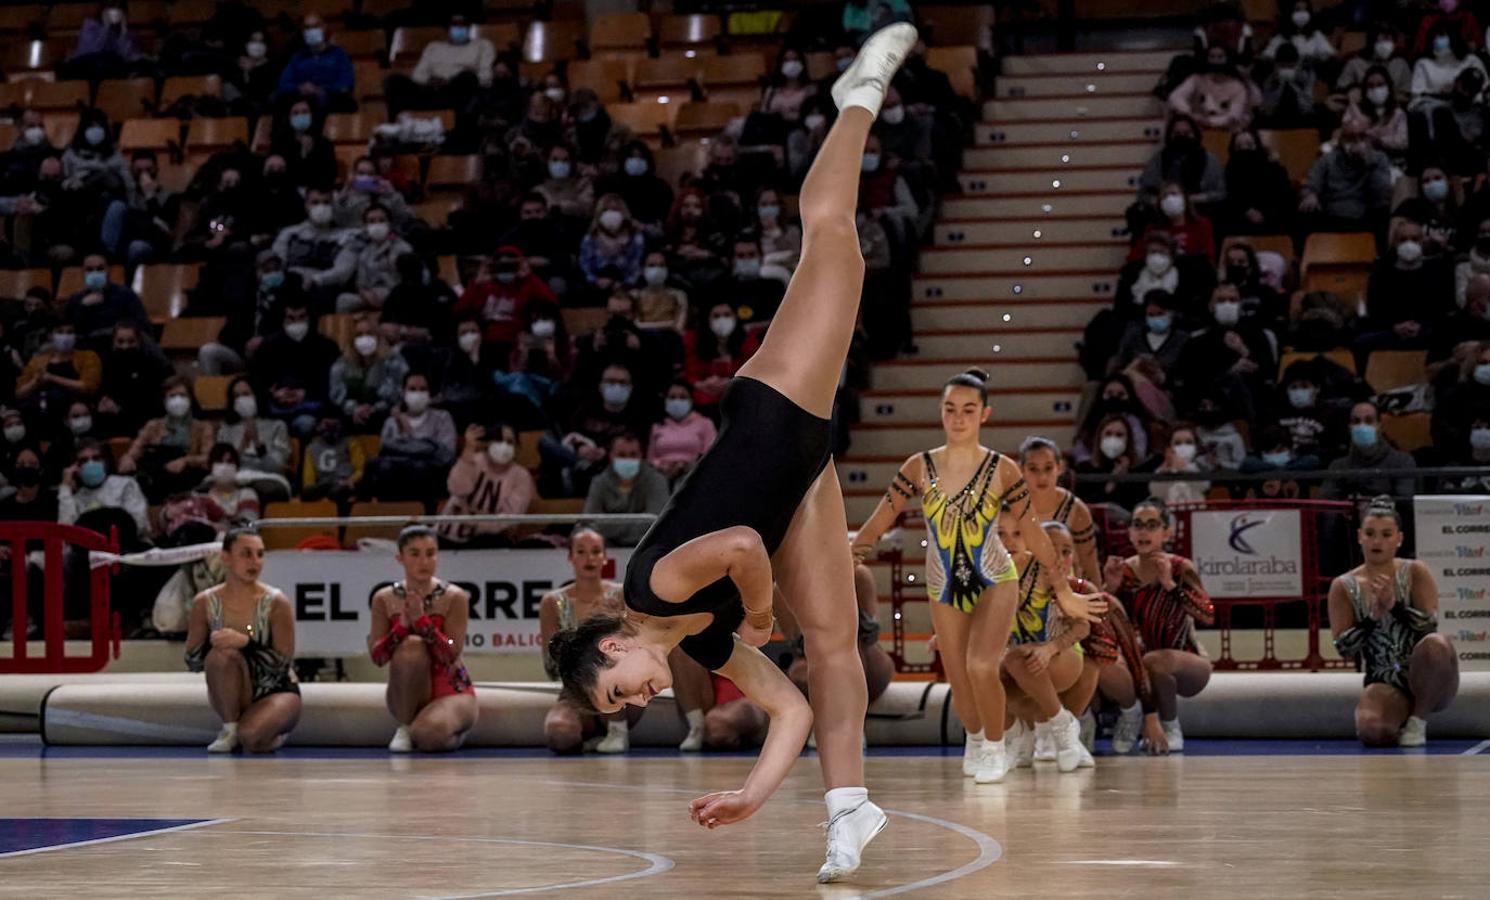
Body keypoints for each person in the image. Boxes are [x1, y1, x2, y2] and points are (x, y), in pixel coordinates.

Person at [547, 27, 988, 883]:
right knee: (828, 650)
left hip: (775, 408)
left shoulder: (651, 591)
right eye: (630, 708)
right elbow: (783, 709)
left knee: (833, 235)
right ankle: (848, 808)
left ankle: (858, 96)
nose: (640, 700)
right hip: (800, 475)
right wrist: (752, 793)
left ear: (610, 648)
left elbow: (746, 552)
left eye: (621, 692)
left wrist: (753, 615)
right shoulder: (696, 647)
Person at [850, 367, 1105, 785]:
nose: (959, 418)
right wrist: (851, 555)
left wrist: (1062, 589)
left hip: (995, 578)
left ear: (985, 414)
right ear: (941, 412)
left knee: (981, 664)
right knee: (961, 678)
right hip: (942, 585)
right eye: (950, 409)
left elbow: (1035, 535)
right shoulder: (919, 466)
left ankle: (994, 745)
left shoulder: (1002, 469)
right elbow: (879, 521)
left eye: (969, 409)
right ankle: (979, 737)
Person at [1328, 498, 1458, 746]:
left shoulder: (1415, 571)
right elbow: (1344, 647)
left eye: (1386, 534)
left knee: (1437, 644)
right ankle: (1402, 714)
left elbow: (1428, 628)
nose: (1377, 541)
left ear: (1399, 538)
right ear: (1359, 537)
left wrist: (1394, 607)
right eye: (1370, 534)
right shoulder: (1343, 586)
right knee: (1373, 731)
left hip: (1429, 672)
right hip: (1385, 679)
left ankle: (1418, 721)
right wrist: (1373, 617)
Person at [1101, 498, 1214, 753]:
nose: (1143, 531)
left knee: (1154, 660)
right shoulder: (1124, 571)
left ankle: (1171, 725)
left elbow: (1207, 615)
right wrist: (1109, 588)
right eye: (1137, 525)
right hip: (1139, 663)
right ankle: (1129, 716)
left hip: (1187, 661)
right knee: (1111, 661)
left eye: (1152, 525)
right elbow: (1101, 624)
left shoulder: (1179, 567)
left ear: (1166, 532)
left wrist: (1170, 586)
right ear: (1129, 532)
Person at [184, 528, 301, 753]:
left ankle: (269, 731)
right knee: (221, 656)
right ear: (225, 557)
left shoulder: (276, 602)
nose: (255, 562)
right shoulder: (205, 603)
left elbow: (283, 663)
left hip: (276, 689)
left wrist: (246, 643)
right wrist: (215, 642)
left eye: (260, 554)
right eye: (246, 554)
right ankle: (230, 726)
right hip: (233, 688)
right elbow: (193, 661)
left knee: (252, 739)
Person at [368, 526, 478, 752]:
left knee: (430, 736)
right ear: (400, 558)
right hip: (405, 693)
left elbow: (451, 652)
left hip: (450, 688)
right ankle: (406, 725)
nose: (424, 561)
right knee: (411, 646)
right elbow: (378, 656)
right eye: (415, 554)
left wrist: (422, 622)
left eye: (430, 553)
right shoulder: (384, 599)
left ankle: (451, 731)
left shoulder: (454, 597)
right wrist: (403, 627)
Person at [1001, 520, 1093, 772]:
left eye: (1066, 551)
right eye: (1053, 549)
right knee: (984, 674)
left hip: (1063, 658)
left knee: (1016, 660)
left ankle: (1062, 725)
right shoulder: (1001, 572)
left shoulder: (1058, 579)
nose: (1060, 557)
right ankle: (1015, 735)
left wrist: (1049, 648)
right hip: (1023, 663)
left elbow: (1083, 626)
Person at [362, 372, 457, 503]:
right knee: (382, 467)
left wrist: (405, 436)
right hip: (396, 474)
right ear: (403, 392)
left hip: (430, 476)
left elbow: (446, 454)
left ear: (430, 393)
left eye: (423, 389)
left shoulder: (442, 418)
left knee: (420, 468)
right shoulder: (391, 422)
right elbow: (384, 449)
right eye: (412, 389)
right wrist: (426, 446)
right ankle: (384, 512)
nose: (417, 394)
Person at [437, 422, 535, 548]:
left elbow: (508, 518)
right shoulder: (475, 460)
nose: (504, 446)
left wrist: (473, 521)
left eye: (509, 442)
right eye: (499, 440)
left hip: (485, 542)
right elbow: (457, 488)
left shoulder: (521, 476)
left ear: (517, 447)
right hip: (447, 535)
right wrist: (468, 450)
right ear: (488, 443)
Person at [1018, 437, 1101, 584]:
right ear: (1021, 470)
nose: (1042, 477)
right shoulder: (1012, 508)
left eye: (1048, 468)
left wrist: (1096, 600)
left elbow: (1089, 565)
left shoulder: (1076, 510)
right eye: (1033, 469)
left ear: (1060, 467)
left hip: (1066, 591)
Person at [119, 375, 215, 502]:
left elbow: (209, 458)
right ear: (164, 400)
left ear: (190, 399)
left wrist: (186, 461)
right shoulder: (153, 425)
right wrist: (128, 458)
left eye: (182, 395)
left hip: (187, 478)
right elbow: (134, 451)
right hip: (158, 476)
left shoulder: (203, 427)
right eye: (172, 396)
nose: (178, 400)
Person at [383, 13, 493, 119]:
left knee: (467, 78)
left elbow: (485, 78)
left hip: (456, 92)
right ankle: (397, 129)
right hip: (431, 90)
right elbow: (418, 76)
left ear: (469, 26)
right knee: (393, 81)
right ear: (447, 28)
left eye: (462, 24)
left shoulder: (482, 45)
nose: (459, 28)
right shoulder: (433, 47)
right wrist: (431, 81)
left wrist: (451, 80)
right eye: (455, 24)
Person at [1299, 120, 1393, 232]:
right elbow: (1312, 182)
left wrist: (1368, 162)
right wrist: (1311, 194)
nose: (1357, 142)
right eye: (1351, 138)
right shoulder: (1328, 159)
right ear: (1342, 140)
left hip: (1365, 215)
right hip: (1331, 214)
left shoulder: (1379, 159)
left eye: (1362, 137)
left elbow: (1381, 194)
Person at [583, 433, 669, 547]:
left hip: (645, 549)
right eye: (621, 455)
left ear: (641, 456)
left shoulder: (657, 481)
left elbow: (656, 524)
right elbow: (589, 522)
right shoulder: (599, 482)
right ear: (610, 456)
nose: (628, 459)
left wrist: (609, 526)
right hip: (607, 549)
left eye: (633, 455)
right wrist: (636, 523)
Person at [1322, 401, 1418, 502]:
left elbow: (1406, 506)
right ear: (1349, 428)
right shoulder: (1338, 466)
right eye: (1356, 421)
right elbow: (1327, 508)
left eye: (1369, 421)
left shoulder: (1403, 462)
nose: (1362, 426)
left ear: (1380, 426)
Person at [328, 315, 407, 433]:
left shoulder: (393, 360)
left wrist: (372, 409)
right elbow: (336, 393)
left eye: (369, 334)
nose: (364, 339)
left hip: (384, 413)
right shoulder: (342, 363)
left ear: (378, 337)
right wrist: (355, 409)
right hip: (351, 414)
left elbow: (397, 392)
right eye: (359, 335)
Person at [1217, 129, 1296, 236]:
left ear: (1257, 146)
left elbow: (1283, 198)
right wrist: (1246, 211)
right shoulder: (1228, 172)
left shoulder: (1276, 170)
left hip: (1272, 219)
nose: (1244, 149)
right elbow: (1230, 198)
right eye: (1239, 147)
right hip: (1238, 220)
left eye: (1249, 145)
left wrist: (1265, 214)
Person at [1166, 44, 1259, 131]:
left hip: (1226, 132)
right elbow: (1174, 97)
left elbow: (1234, 116)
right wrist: (1190, 114)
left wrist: (1209, 122)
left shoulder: (1238, 86)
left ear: (1228, 59)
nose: (1215, 61)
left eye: (1220, 57)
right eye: (1212, 57)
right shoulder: (1196, 79)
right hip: (1198, 129)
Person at [275, 13, 355, 112]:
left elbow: (345, 83)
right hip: (303, 103)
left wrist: (321, 89)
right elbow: (283, 84)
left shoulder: (338, 54)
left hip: (331, 102)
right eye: (307, 28)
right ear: (303, 31)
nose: (312, 31)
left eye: (316, 26)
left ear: (324, 28)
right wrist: (300, 87)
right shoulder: (297, 58)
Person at [1075, 413, 1152, 512]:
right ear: (1100, 437)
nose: (1113, 439)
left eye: (1119, 435)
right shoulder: (1085, 468)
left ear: (1128, 439)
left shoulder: (1140, 470)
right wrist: (1112, 482)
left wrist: (1125, 477)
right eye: (1108, 434)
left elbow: (1140, 507)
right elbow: (1083, 506)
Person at [649, 380, 718, 487]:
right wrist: (664, 467)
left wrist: (686, 466)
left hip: (696, 477)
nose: (677, 401)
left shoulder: (705, 423)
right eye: (672, 397)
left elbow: (712, 455)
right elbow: (651, 459)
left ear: (691, 400)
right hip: (661, 477)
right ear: (665, 400)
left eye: (682, 397)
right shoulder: (657, 426)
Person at [1144, 424, 1211, 504]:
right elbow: (1155, 491)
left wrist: (1185, 469)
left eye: (1189, 442)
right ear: (1169, 447)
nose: (1183, 446)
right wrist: (1165, 472)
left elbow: (1204, 486)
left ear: (1196, 446)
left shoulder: (1200, 467)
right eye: (1178, 443)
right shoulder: (1163, 468)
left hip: (1195, 513)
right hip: (1168, 513)